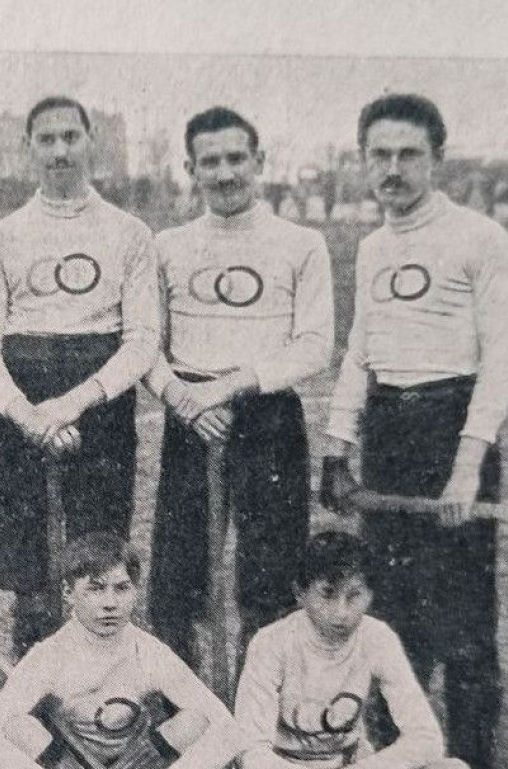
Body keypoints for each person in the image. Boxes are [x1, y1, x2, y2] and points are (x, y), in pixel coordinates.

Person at [321, 93, 508, 769]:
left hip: (453, 428)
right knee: (392, 601)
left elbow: (500, 359)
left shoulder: (479, 237)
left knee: (461, 608)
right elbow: (358, 349)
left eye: (408, 154)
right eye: (380, 154)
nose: (393, 169)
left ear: (438, 158)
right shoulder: (372, 246)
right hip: (389, 431)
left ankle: (466, 762)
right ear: (362, 161)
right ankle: (396, 748)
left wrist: (467, 465)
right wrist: (337, 444)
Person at [145, 107, 334, 665]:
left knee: (271, 576)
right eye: (210, 162)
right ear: (190, 168)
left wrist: (235, 384)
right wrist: (184, 398)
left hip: (265, 413)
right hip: (192, 414)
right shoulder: (168, 244)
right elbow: (145, 345)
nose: (224, 173)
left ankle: (259, 696)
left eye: (236, 159)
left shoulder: (301, 243)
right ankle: (179, 704)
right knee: (177, 575)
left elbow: (316, 344)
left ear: (259, 162)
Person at [0, 96, 161, 653]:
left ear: (90, 142)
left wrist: (75, 402)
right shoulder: (1, 236)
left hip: (100, 405)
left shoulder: (129, 232)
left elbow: (142, 342)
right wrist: (28, 415)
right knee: (30, 565)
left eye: (70, 137)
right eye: (47, 139)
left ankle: (103, 675)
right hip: (24, 408)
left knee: (100, 552)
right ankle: (33, 683)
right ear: (28, 147)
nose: (60, 150)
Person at [220, 532, 505, 769]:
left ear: (371, 594)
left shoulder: (377, 637)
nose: (341, 613)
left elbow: (426, 739)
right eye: (327, 595)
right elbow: (252, 759)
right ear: (300, 592)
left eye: (354, 596)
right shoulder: (271, 643)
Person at [0, 532, 245, 769]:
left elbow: (228, 731)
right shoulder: (49, 656)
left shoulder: (149, 652)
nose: (110, 604)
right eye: (95, 589)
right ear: (68, 592)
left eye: (122, 588)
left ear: (136, 591)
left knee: (194, 721)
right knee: (19, 727)